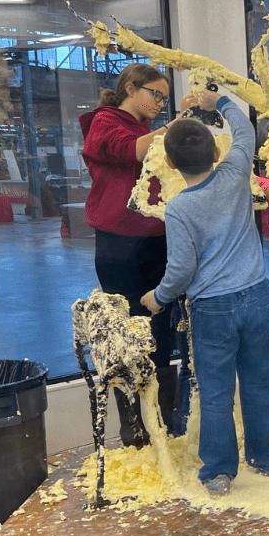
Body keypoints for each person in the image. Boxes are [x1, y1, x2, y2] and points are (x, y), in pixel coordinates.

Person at [141, 87, 269, 497]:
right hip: (256, 297)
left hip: (213, 310)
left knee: (218, 390)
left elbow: (182, 270)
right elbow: (246, 133)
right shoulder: (237, 172)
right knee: (258, 381)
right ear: (216, 154)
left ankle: (220, 472)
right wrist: (217, 104)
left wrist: (159, 297)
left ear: (168, 162)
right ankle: (267, 457)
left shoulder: (180, 208)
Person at [81, 63, 194, 445]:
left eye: (165, 97)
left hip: (155, 237)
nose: (160, 103)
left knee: (159, 326)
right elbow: (130, 151)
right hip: (119, 244)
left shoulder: (146, 127)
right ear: (131, 88)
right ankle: (134, 426)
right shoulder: (105, 122)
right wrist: (180, 124)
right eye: (155, 94)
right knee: (128, 331)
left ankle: (163, 420)